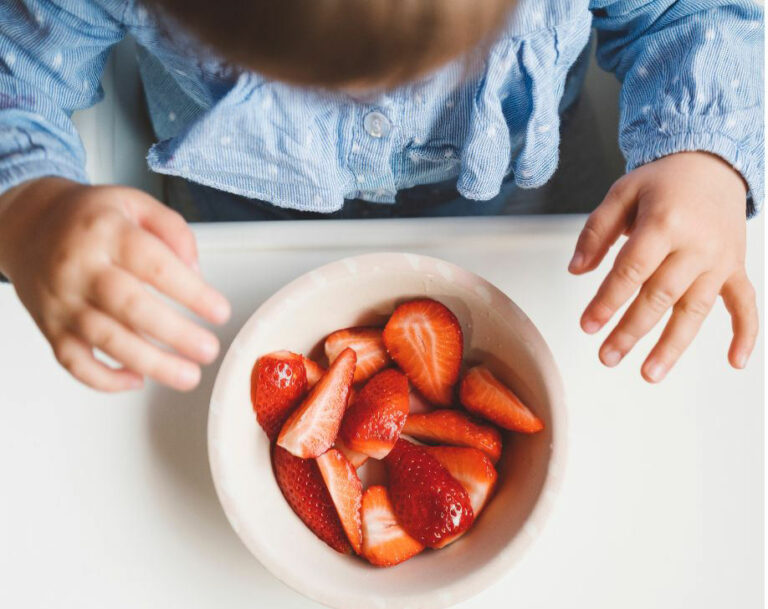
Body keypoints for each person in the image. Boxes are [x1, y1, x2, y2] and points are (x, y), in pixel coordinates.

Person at [0, 0, 762, 392]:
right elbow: (16, 76)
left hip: (514, 203)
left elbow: (685, 15)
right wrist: (28, 208)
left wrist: (703, 157)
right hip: (235, 214)